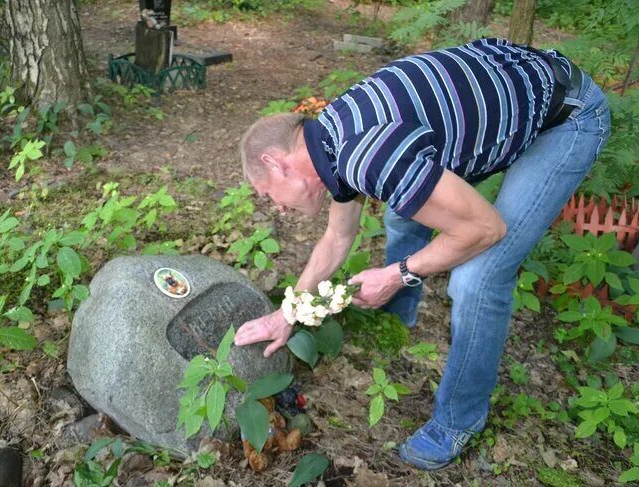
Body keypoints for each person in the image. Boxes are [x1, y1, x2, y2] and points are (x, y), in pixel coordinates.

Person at [233, 37, 610, 470]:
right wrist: (287, 314)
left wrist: (397, 274)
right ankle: (400, 317)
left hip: (565, 118)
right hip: (523, 84)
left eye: (268, 195)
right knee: (403, 211)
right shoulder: (330, 138)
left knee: (478, 278)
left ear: (277, 162)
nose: (276, 207)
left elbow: (486, 229)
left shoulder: (367, 155)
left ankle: (458, 421)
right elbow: (337, 237)